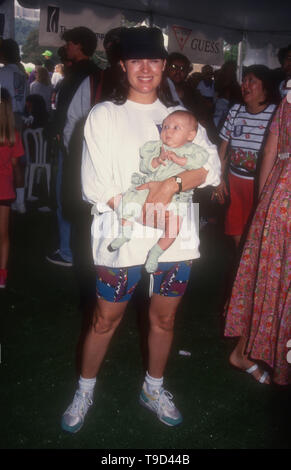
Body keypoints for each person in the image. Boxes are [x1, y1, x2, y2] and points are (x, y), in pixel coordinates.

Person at [61, 26, 220, 433]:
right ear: (123, 66)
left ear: (164, 65)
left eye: (153, 60)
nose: (145, 69)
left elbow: (212, 169)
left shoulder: (178, 116)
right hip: (123, 236)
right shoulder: (104, 115)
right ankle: (85, 387)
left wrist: (172, 183)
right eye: (136, 61)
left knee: (164, 320)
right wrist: (141, 211)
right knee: (104, 319)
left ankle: (153, 387)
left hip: (174, 241)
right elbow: (93, 186)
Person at [224, 87, 291, 386]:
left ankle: (266, 360)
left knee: (270, 277)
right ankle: (276, 365)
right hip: (283, 198)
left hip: (279, 194)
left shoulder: (287, 100)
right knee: (276, 279)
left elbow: (270, 151)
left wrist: (263, 204)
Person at [109, 110, 209, 273]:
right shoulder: (157, 147)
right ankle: (125, 232)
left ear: (190, 135)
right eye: (165, 127)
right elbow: (145, 167)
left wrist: (179, 160)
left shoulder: (193, 150)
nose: (168, 131)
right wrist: (157, 160)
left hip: (178, 197)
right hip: (150, 186)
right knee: (127, 202)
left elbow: (198, 165)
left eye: (176, 128)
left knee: (174, 227)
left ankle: (155, 253)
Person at [46, 26, 101, 268]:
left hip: (73, 143)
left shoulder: (81, 74)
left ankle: (68, 251)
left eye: (70, 42)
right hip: (83, 143)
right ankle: (76, 249)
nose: (67, 46)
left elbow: (70, 113)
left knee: (66, 196)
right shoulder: (94, 73)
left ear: (79, 45)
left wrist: (65, 142)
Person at [215, 65, 278, 248]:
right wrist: (219, 178)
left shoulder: (276, 113)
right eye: (244, 80)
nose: (245, 85)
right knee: (236, 230)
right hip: (235, 182)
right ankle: (240, 268)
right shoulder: (235, 110)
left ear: (265, 86)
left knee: (259, 234)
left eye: (252, 81)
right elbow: (224, 147)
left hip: (261, 185)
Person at [0, 38, 28, 214]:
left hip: (4, 116)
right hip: (18, 117)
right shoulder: (21, 72)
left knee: (5, 161)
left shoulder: (3, 73)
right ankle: (20, 200)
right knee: (16, 162)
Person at [0, 88, 25, 288]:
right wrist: (20, 185)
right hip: (5, 190)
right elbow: (16, 165)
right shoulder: (13, 135)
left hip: (6, 189)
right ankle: (2, 274)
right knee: (4, 235)